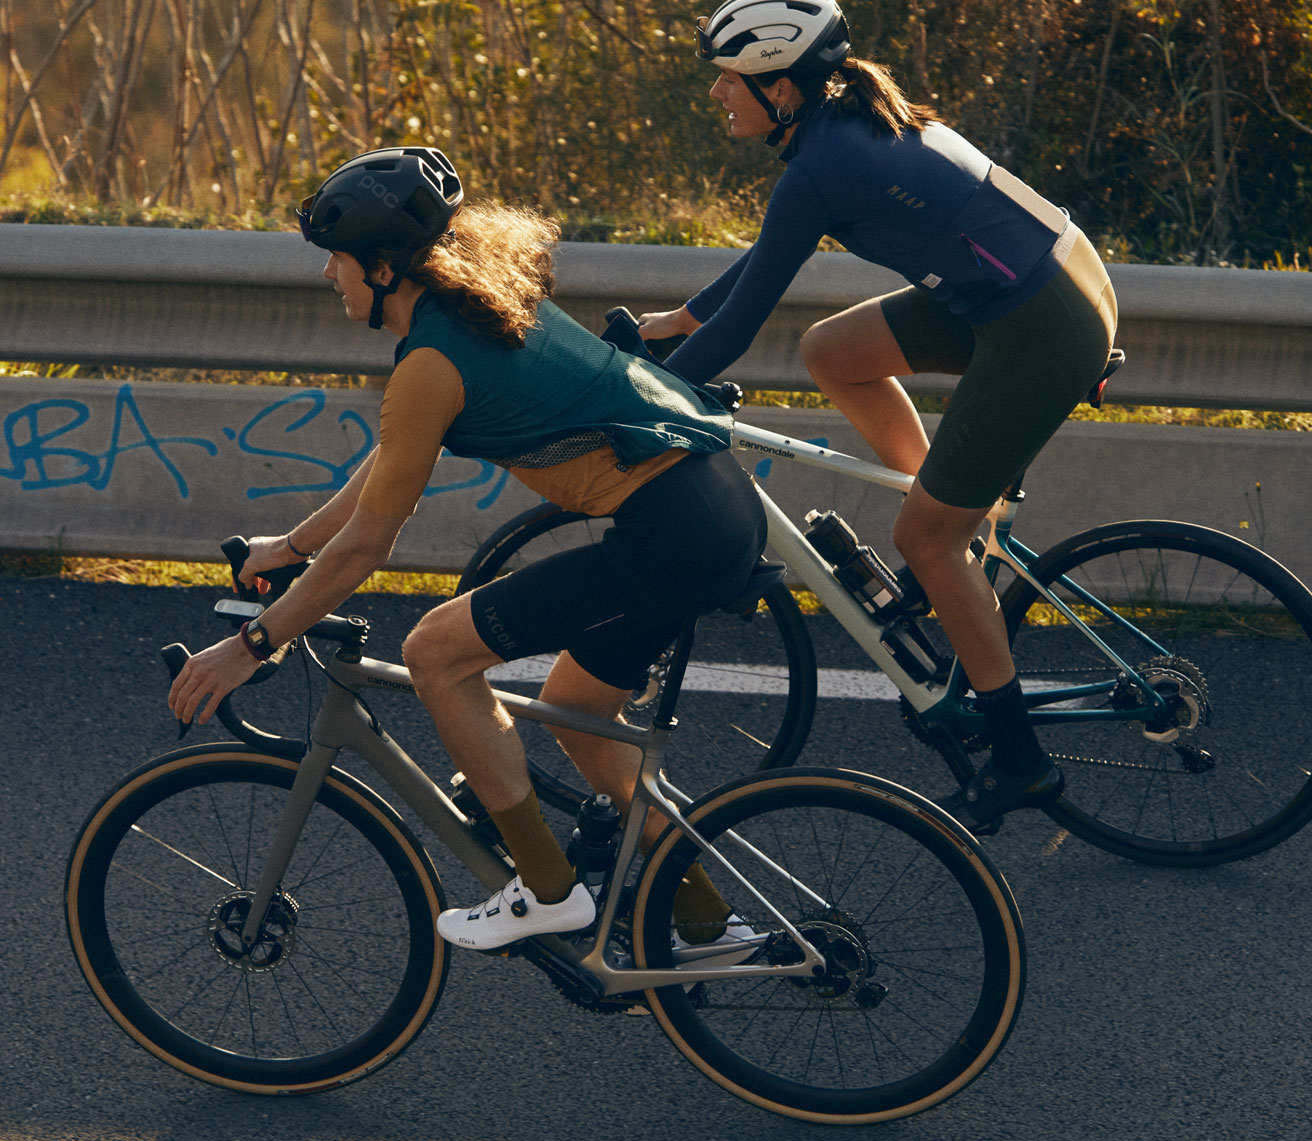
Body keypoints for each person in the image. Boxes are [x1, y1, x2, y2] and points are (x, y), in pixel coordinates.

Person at [168, 146, 767, 954]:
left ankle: (549, 893)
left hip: (671, 534)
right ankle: (705, 924)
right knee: (582, 716)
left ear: (382, 269)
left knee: (436, 651)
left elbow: (370, 546)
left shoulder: (430, 363)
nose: (328, 276)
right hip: (715, 503)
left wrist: (253, 644)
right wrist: (293, 544)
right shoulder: (481, 303)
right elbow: (393, 464)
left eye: (336, 261)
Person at [640, 0, 1118, 828]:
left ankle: (1019, 759)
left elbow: (744, 325)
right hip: (1032, 281)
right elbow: (768, 259)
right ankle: (948, 526)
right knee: (834, 351)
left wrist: (641, 402)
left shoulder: (821, 165)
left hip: (1042, 322)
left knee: (924, 540)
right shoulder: (837, 129)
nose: (717, 93)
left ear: (782, 89)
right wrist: (682, 320)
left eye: (730, 78)